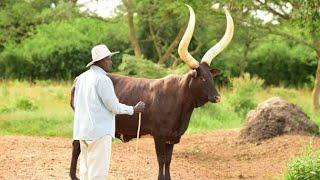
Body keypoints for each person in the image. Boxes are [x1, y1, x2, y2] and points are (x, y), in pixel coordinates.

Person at [72, 44, 145, 180]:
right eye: (109, 59)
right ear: (101, 60)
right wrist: (133, 109)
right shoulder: (103, 80)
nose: (111, 62)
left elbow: (76, 104)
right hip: (100, 132)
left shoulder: (81, 78)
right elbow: (114, 107)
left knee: (85, 171)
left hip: (82, 131)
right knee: (98, 174)